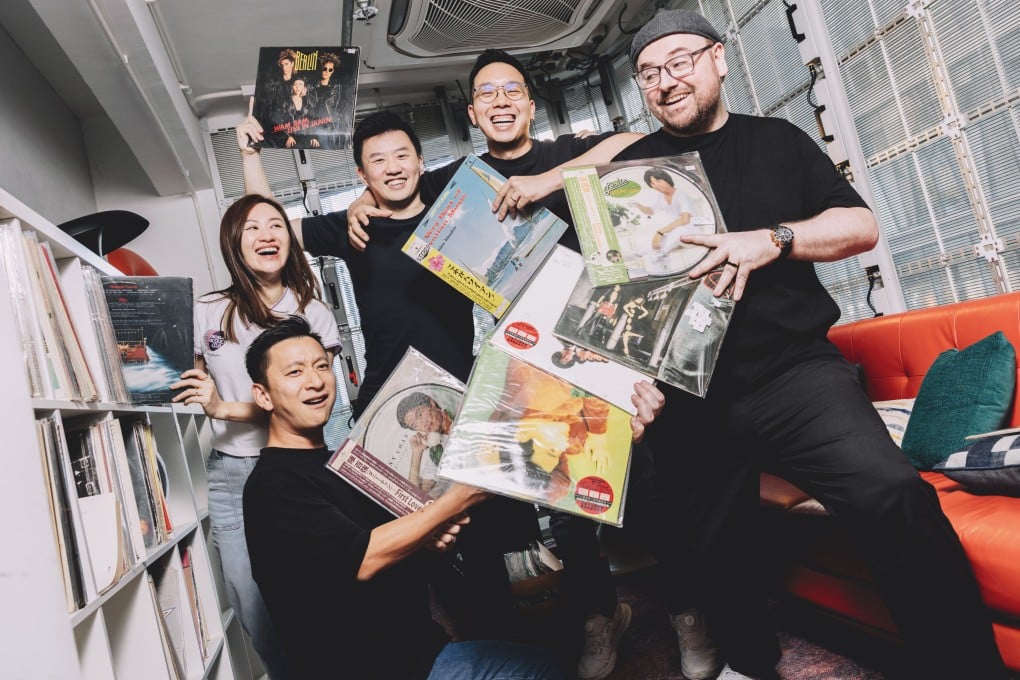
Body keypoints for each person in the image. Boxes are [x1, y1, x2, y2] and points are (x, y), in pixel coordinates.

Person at [616, 9, 1007, 680]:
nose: (666, 81)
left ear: (717, 59)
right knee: (715, 548)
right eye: (650, 73)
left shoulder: (778, 141)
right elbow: (605, 296)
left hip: (793, 375)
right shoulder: (626, 173)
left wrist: (772, 239)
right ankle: (749, 662)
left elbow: (860, 225)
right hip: (689, 393)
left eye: (680, 61)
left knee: (891, 492)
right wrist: (626, 376)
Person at [241, 315, 566, 680]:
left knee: (545, 664)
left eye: (322, 366)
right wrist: (457, 499)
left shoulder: (339, 465)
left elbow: (384, 550)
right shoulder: (272, 485)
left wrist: (427, 540)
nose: (316, 381)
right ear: (263, 395)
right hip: (377, 671)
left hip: (416, 656)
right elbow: (360, 558)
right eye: (295, 372)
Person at [170, 194, 343, 680]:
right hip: (231, 473)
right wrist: (193, 387)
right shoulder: (207, 311)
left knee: (322, 591)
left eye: (276, 226)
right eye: (252, 228)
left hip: (301, 469)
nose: (267, 235)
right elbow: (188, 384)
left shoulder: (313, 313)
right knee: (251, 601)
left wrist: (222, 406)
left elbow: (307, 404)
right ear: (233, 243)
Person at [396, 391, 454, 493]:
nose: (422, 424)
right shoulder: (436, 451)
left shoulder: (456, 408)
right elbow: (415, 495)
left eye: (420, 414)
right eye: (415, 425)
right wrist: (416, 454)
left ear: (431, 404)